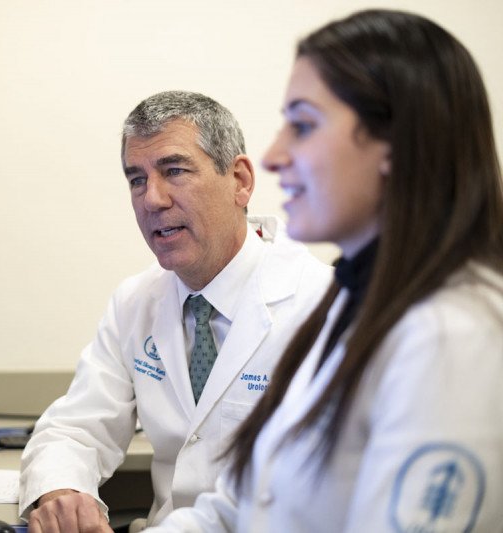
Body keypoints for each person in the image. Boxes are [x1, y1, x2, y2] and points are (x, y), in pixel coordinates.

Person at [145, 9, 503, 532]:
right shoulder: (353, 300)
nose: (272, 155)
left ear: (397, 144)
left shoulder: (453, 336)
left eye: (305, 124)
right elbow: (241, 504)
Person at [20, 91, 333, 532]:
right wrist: (63, 492)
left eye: (174, 171)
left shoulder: (323, 307)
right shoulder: (136, 301)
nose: (153, 199)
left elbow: (314, 497)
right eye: (136, 179)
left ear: (240, 181)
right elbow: (76, 427)